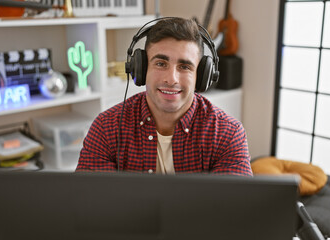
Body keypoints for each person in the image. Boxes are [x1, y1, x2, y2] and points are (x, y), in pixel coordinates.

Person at [76, 17, 252, 176]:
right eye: (161, 63)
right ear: (142, 68)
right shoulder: (106, 128)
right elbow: (92, 202)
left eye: (185, 67)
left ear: (202, 76)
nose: (171, 79)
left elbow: (233, 208)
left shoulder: (227, 133)